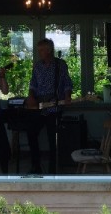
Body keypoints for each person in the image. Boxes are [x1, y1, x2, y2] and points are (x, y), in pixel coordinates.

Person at [26, 38, 73, 174]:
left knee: (54, 140)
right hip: (39, 108)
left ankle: (54, 169)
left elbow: (67, 83)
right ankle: (36, 166)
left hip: (54, 107)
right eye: (38, 50)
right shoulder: (37, 66)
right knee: (31, 133)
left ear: (49, 50)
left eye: (41, 50)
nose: (39, 53)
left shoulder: (60, 65)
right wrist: (31, 97)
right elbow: (33, 85)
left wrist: (68, 95)